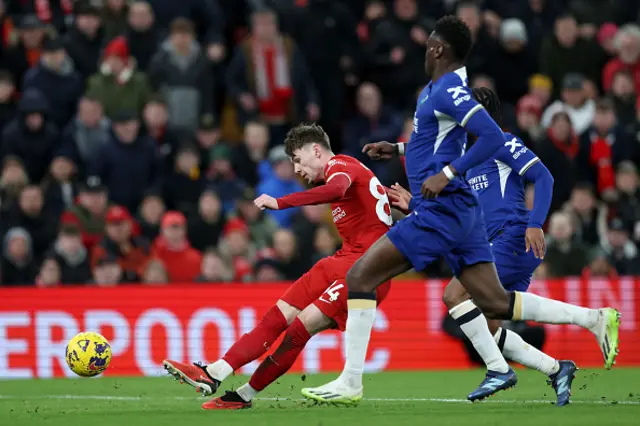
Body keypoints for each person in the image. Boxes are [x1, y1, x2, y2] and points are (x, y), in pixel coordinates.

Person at [303, 16, 620, 404]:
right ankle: (582, 329)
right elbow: (436, 145)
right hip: (467, 222)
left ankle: (352, 380)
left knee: (363, 278)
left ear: (437, 49)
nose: (423, 50)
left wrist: (454, 179)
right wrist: (400, 152)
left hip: (486, 227)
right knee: (489, 304)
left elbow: (498, 149)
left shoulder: (460, 102)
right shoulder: (438, 97)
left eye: (428, 44)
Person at [355, 87, 575, 406]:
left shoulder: (502, 142)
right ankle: (558, 369)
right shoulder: (468, 163)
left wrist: (535, 223)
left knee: (454, 295)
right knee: (491, 326)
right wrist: (414, 199)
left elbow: (544, 178)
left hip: (510, 240)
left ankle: (586, 323)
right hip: (489, 246)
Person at [162, 123, 393, 409]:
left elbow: (337, 189)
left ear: (316, 150)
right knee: (276, 317)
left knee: (299, 328)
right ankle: (216, 373)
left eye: (297, 159)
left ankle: (244, 391)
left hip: (364, 270)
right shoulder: (353, 170)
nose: (297, 169)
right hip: (340, 261)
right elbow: (377, 198)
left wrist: (281, 202)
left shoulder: (339, 167)